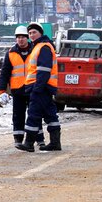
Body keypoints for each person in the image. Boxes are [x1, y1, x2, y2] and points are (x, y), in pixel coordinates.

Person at [16, 22, 62, 152]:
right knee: (50, 114)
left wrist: (37, 88)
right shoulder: (40, 46)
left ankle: (29, 143)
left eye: (34, 32)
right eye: (30, 33)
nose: (31, 35)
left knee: (33, 114)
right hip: (44, 87)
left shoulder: (43, 47)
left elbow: (44, 70)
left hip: (41, 87)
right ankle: (55, 142)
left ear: (40, 33)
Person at [0, 25, 44, 149]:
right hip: (17, 89)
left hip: (32, 88)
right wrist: (2, 90)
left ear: (27, 38)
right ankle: (18, 139)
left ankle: (39, 139)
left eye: (23, 37)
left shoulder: (35, 50)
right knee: (18, 115)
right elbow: (5, 72)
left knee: (34, 115)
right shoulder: (11, 53)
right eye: (18, 37)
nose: (20, 39)